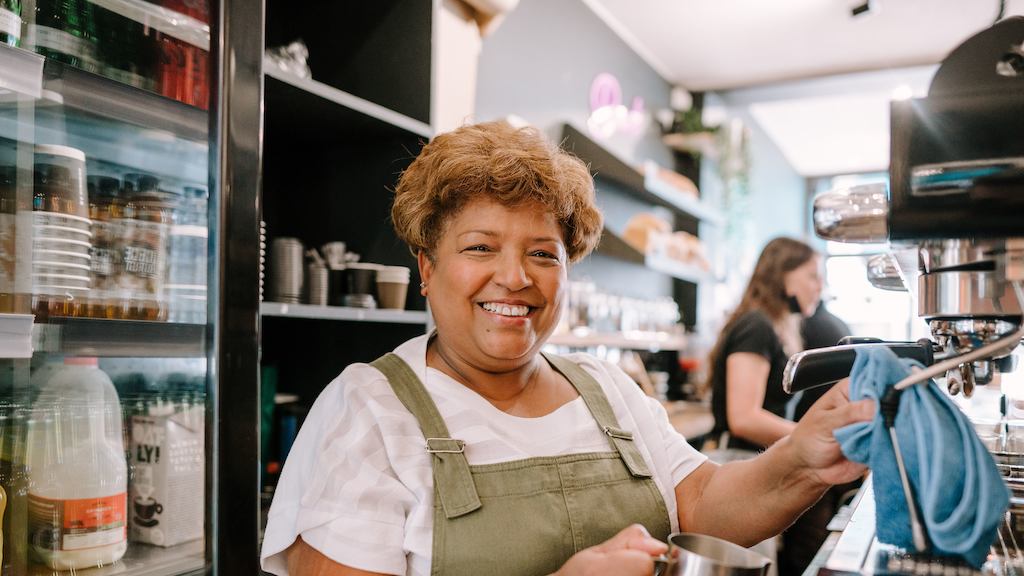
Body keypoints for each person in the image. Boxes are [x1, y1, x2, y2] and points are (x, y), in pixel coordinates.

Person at [259, 121, 874, 576]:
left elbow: (705, 502)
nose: (516, 277)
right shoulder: (369, 410)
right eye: (480, 247)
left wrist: (805, 459)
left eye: (542, 253)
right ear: (426, 268)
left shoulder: (606, 388)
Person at [706, 237, 823, 454]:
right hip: (738, 460)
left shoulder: (780, 327)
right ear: (783, 276)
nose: (820, 286)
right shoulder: (756, 327)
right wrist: (810, 435)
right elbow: (744, 419)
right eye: (813, 276)